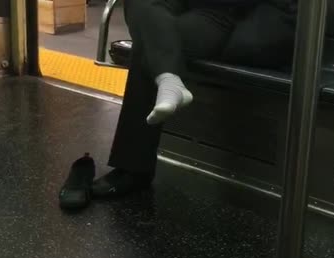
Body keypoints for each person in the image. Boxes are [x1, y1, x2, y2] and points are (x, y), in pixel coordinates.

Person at [59, 0, 297, 210]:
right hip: (209, 10)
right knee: (151, 24)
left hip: (254, 13)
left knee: (154, 38)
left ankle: (134, 168)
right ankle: (169, 80)